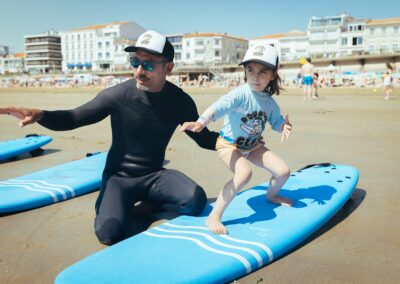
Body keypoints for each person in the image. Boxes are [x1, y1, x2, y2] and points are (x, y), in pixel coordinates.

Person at [0, 30, 219, 245]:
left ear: (168, 68)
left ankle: (146, 206)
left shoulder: (180, 101)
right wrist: (40, 115)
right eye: (135, 62)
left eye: (149, 64)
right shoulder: (117, 95)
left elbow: (204, 139)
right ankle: (114, 203)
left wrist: (243, 142)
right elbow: (73, 118)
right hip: (119, 178)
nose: (139, 71)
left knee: (195, 200)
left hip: (154, 176)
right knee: (108, 234)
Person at [180, 44, 293, 235]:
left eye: (263, 71)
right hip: (228, 145)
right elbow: (220, 106)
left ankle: (272, 196)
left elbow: (275, 122)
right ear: (245, 71)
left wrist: (284, 126)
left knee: (283, 171)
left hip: (253, 146)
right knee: (244, 173)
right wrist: (201, 122)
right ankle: (214, 216)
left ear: (273, 75)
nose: (256, 76)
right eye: (251, 70)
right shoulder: (240, 94)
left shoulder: (270, 103)